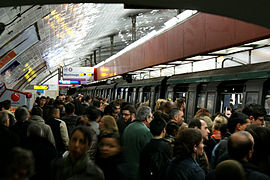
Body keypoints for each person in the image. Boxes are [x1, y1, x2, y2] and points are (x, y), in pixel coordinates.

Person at [122, 106, 153, 180]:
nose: (152, 119)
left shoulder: (128, 127)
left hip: (126, 169)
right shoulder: (146, 132)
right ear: (147, 118)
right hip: (138, 172)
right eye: (151, 117)